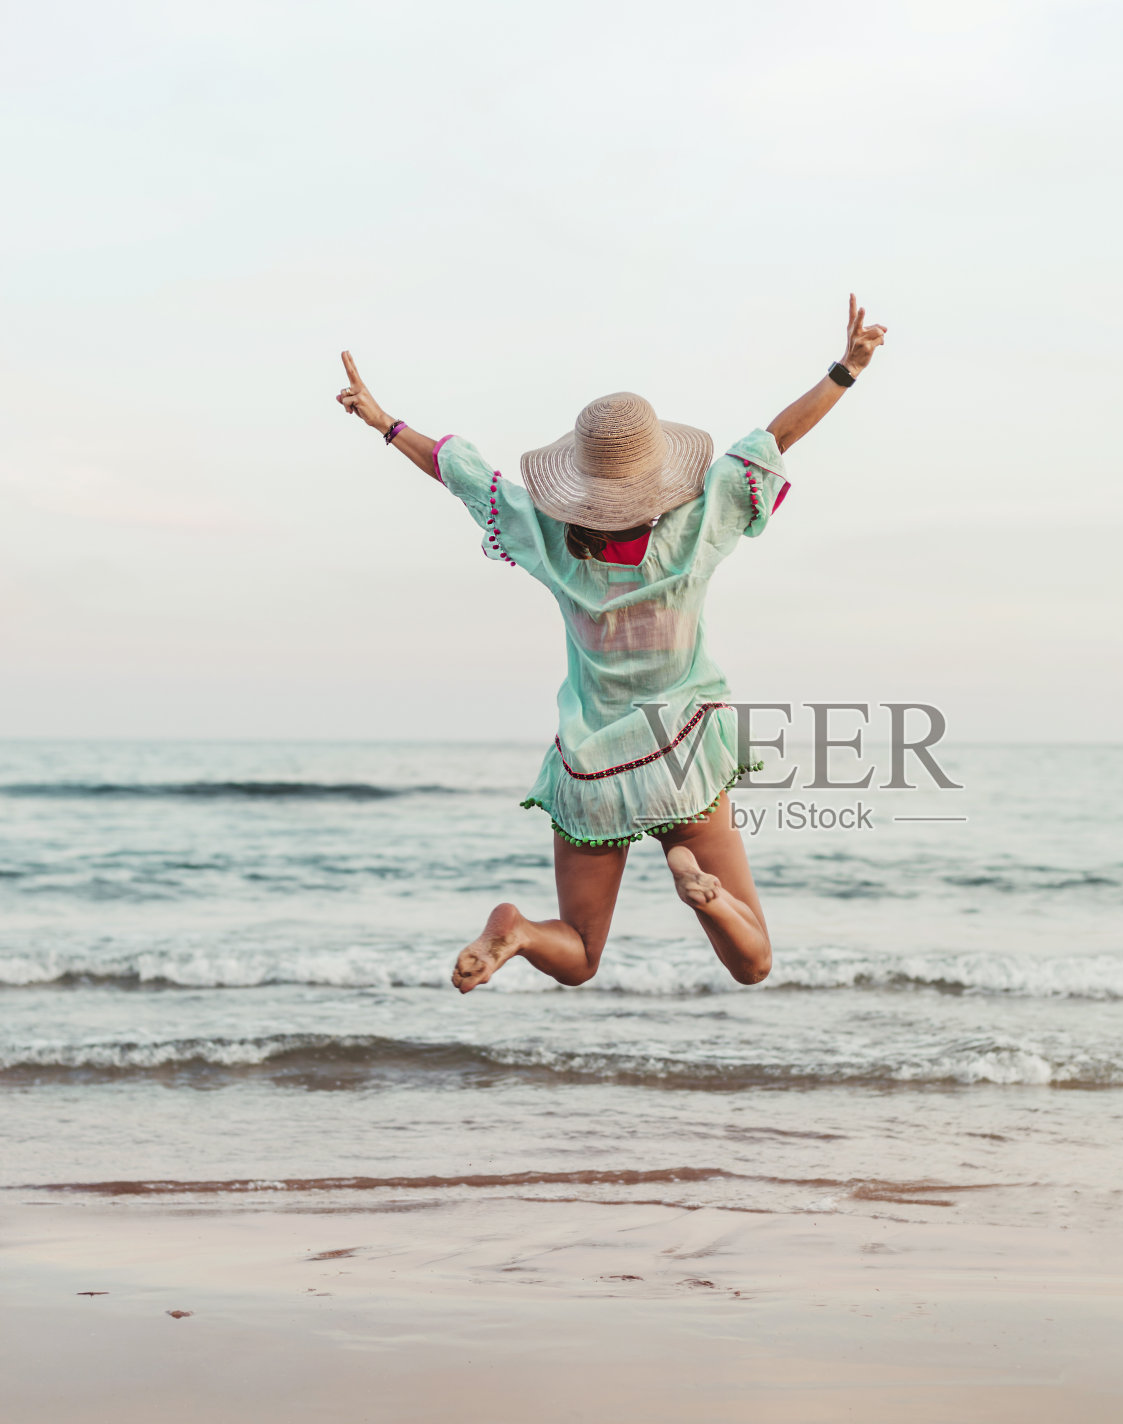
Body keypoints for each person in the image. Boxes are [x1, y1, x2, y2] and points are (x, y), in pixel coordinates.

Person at [334, 296, 887, 993]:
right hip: (680, 751)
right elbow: (778, 436)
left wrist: (384, 422)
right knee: (754, 963)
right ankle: (705, 892)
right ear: (659, 473)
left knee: (581, 955)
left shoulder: (547, 538)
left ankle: (521, 932)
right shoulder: (695, 526)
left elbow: (461, 474)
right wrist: (846, 369)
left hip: (590, 767)